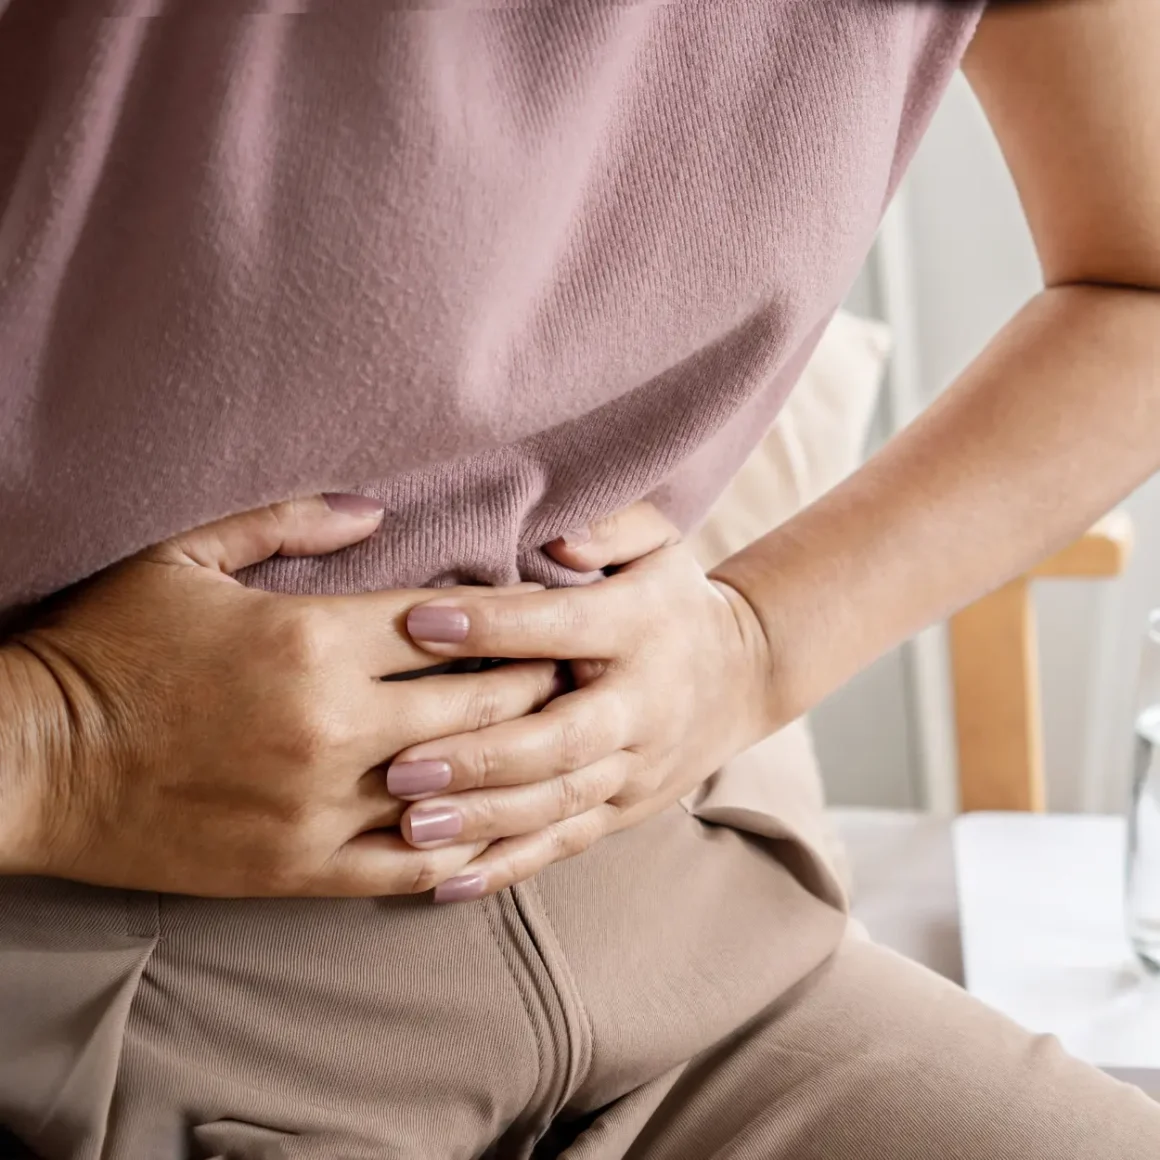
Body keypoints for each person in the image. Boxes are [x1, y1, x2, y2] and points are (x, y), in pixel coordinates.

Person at [1, 0, 1159, 1156]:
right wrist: (56, 749)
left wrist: (755, 645)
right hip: (109, 997)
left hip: (682, 957)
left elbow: (1134, 279)